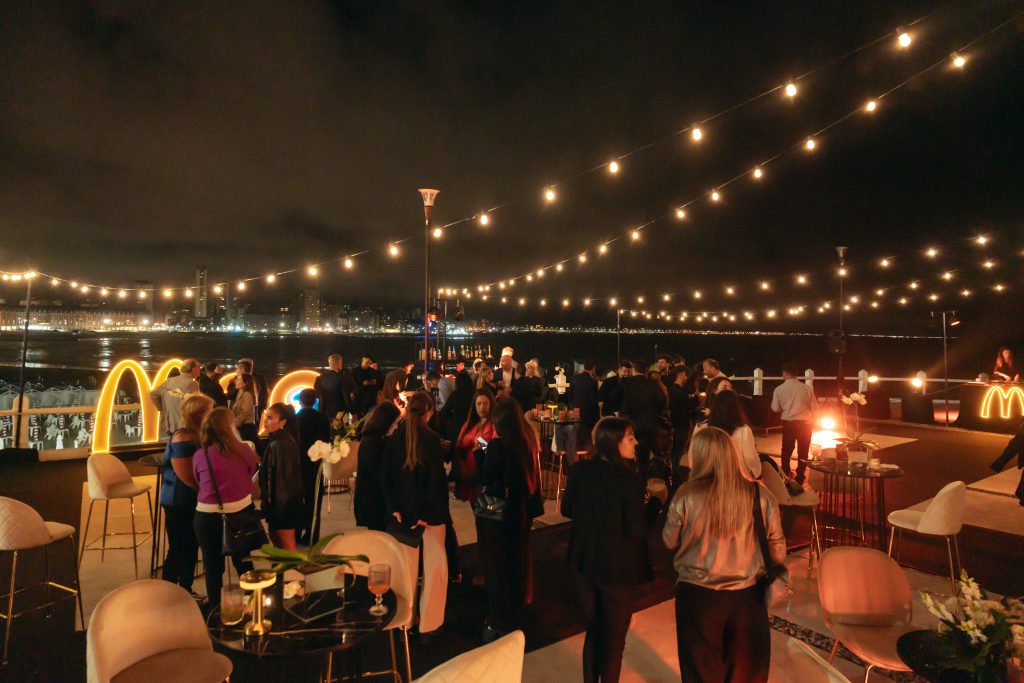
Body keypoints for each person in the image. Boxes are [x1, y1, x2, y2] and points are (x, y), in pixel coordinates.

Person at [662, 427, 785, 683]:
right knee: (744, 670)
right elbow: (778, 550)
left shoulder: (687, 493)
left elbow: (668, 541)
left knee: (700, 669)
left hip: (697, 595)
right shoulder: (759, 494)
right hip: (747, 596)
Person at [561, 417, 663, 683]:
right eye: (630, 437)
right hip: (617, 569)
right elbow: (636, 531)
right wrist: (655, 504)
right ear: (613, 441)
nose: (636, 442)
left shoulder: (580, 471)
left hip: (584, 563)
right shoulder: (629, 480)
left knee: (593, 632)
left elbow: (566, 509)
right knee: (614, 642)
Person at [381, 391, 448, 634]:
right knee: (435, 570)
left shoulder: (394, 438)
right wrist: (425, 513)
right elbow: (435, 482)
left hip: (402, 514)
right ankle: (430, 624)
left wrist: (395, 508)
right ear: (428, 413)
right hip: (430, 515)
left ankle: (405, 620)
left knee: (406, 571)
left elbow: (385, 477)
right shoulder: (431, 439)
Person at [477, 397, 542, 642]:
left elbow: (485, 475)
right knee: (515, 559)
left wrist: (480, 452)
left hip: (493, 504)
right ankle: (515, 614)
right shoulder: (526, 441)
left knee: (494, 560)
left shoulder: (497, 446)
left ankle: (497, 618)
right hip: (519, 507)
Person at [192, 407, 261, 608]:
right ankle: (253, 607)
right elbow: (251, 472)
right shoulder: (244, 450)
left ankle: (215, 611)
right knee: (245, 564)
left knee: (212, 566)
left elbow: (198, 480)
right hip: (241, 512)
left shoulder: (200, 454)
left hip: (207, 514)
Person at [161, 392, 213, 594]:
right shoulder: (182, 437)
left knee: (191, 545)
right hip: (179, 499)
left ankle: (185, 588)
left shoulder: (198, 434)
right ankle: (168, 590)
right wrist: (208, 491)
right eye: (209, 409)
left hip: (192, 498)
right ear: (199, 413)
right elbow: (186, 476)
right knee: (179, 547)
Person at [260, 403, 305, 551]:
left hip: (283, 507)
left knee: (287, 549)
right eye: (266, 417)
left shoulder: (282, 443)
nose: (265, 422)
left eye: (270, 418)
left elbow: (285, 480)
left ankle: (292, 575)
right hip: (280, 505)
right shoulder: (278, 440)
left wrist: (278, 510)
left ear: (283, 422)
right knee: (280, 548)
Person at [690, 389, 761, 479]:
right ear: (737, 408)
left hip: (707, 480)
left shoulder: (701, 426)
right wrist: (757, 473)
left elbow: (693, 454)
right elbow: (751, 459)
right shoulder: (743, 430)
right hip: (736, 481)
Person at [354, 402, 402, 531]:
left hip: (374, 499)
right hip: (374, 501)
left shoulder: (373, 438)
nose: (396, 427)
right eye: (395, 422)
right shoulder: (374, 443)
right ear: (385, 422)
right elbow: (379, 475)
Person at [771, 362, 818, 485]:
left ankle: (785, 473)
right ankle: (800, 476)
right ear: (797, 374)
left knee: (786, 449)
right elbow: (815, 408)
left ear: (785, 373)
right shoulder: (807, 389)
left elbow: (775, 408)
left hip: (789, 423)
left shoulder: (779, 389)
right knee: (803, 450)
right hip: (805, 424)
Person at [618, 360, 666, 478]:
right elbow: (662, 400)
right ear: (646, 371)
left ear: (633, 370)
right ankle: (642, 487)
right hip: (649, 427)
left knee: (629, 459)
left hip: (632, 427)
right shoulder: (652, 384)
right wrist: (655, 412)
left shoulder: (627, 384)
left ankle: (631, 486)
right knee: (644, 461)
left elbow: (623, 405)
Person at [296, 388, 330, 545]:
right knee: (314, 499)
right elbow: (326, 441)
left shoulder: (295, 419)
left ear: (300, 401)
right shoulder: (322, 418)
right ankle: (312, 535)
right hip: (316, 463)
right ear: (315, 400)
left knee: (297, 498)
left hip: (299, 463)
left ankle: (296, 532)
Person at [454, 389, 498, 503]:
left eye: (485, 403)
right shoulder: (470, 423)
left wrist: (474, 440)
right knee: (475, 506)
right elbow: (459, 443)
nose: (482, 407)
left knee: (485, 511)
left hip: (484, 472)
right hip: (467, 471)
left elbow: (493, 448)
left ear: (491, 404)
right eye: (479, 404)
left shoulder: (494, 423)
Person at [149, 358, 200, 437]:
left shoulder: (169, 381)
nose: (200, 370)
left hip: (170, 425)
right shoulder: (193, 384)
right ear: (193, 369)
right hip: (185, 427)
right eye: (198, 367)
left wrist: (162, 408)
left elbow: (153, 394)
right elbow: (195, 406)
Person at [567, 360, 601, 448]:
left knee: (576, 437)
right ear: (593, 368)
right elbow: (594, 400)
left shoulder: (574, 378)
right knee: (588, 439)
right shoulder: (593, 381)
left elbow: (570, 396)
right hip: (589, 415)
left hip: (576, 412)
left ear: (584, 367)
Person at [314, 353, 356, 421]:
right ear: (340, 364)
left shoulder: (319, 378)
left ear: (330, 364)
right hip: (339, 414)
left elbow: (317, 395)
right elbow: (346, 397)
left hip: (323, 412)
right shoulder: (342, 378)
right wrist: (353, 413)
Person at [668, 366, 695, 467]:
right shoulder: (679, 391)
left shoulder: (672, 390)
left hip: (675, 424)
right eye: (685, 374)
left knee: (676, 451)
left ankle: (672, 472)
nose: (687, 377)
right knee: (678, 451)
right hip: (680, 425)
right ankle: (674, 474)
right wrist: (694, 398)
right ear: (681, 374)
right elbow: (688, 406)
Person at [227, 358, 269, 424]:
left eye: (238, 368)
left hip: (253, 413)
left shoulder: (259, 379)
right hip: (238, 413)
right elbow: (230, 395)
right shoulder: (235, 379)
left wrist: (261, 409)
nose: (236, 371)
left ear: (243, 369)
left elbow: (264, 395)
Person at [439, 372, 475, 445]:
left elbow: (444, 412)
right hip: (473, 427)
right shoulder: (475, 394)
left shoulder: (456, 395)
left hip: (456, 428)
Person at [231, 373, 259, 443]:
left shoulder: (247, 395)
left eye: (238, 380)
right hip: (242, 427)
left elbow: (244, 413)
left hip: (246, 429)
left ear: (245, 383)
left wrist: (233, 424)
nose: (236, 381)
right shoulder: (240, 394)